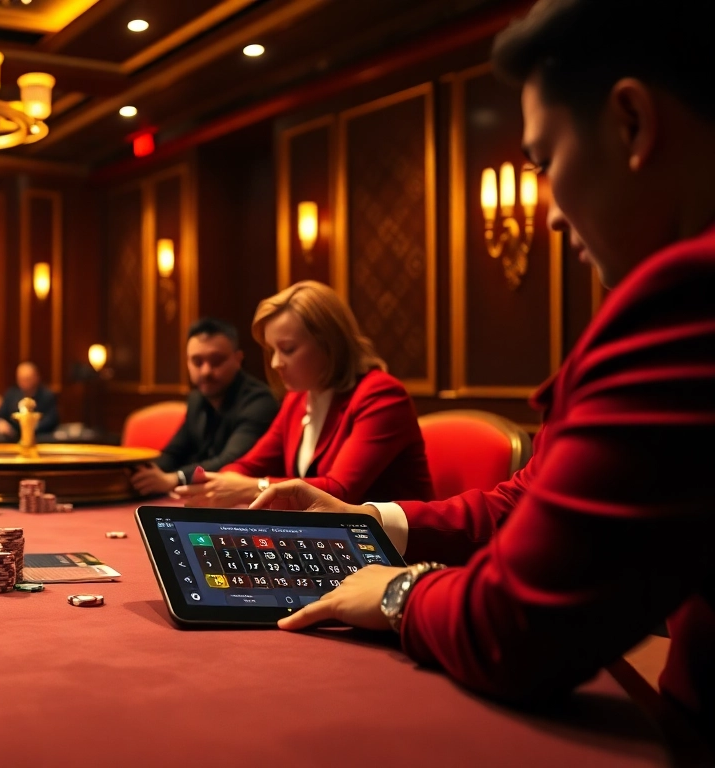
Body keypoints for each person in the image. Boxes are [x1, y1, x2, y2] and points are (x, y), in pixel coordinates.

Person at [252, 0, 715, 744]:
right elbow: (529, 500)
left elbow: (518, 632)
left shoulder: (686, 299)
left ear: (632, 123)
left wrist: (397, 592)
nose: (553, 215)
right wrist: (368, 522)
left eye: (546, 162)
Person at [175, 281, 432, 507]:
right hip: (329, 543)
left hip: (393, 551)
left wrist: (253, 488)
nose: (275, 363)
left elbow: (339, 492)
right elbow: (249, 465)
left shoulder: (382, 395)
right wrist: (226, 481)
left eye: (287, 349)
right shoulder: (297, 398)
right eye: (272, 350)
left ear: (329, 344)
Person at [130, 318, 279, 496]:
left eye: (216, 361)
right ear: (187, 362)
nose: (206, 371)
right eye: (197, 361)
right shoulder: (197, 399)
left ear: (238, 359)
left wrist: (174, 479)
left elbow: (230, 460)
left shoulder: (260, 401)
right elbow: (173, 453)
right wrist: (140, 473)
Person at [0, 361, 59, 441]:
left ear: (36, 377)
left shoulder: (47, 395)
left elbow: (52, 419)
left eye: (27, 379)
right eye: (21, 379)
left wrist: (30, 426)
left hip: (39, 436)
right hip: (13, 436)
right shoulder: (12, 394)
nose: (24, 383)